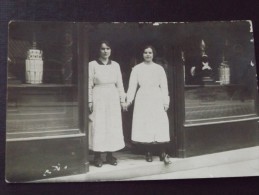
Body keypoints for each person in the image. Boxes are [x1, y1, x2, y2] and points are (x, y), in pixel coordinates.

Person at [126, 45, 171, 165]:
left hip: (156, 97)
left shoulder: (159, 69)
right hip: (143, 99)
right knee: (146, 124)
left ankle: (162, 152)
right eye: (145, 52)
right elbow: (132, 86)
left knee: (159, 124)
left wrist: (165, 101)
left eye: (150, 52)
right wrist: (129, 100)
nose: (148, 55)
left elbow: (164, 86)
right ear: (142, 54)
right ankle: (149, 152)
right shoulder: (137, 68)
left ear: (153, 54)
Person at [88, 41, 127, 167]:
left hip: (112, 97)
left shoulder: (115, 65)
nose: (105, 51)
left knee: (112, 124)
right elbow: (89, 84)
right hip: (98, 96)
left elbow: (120, 84)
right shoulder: (92, 65)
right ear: (99, 50)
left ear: (111, 50)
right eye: (103, 49)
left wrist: (122, 99)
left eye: (108, 48)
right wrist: (89, 100)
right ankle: (97, 156)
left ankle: (110, 155)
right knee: (98, 124)